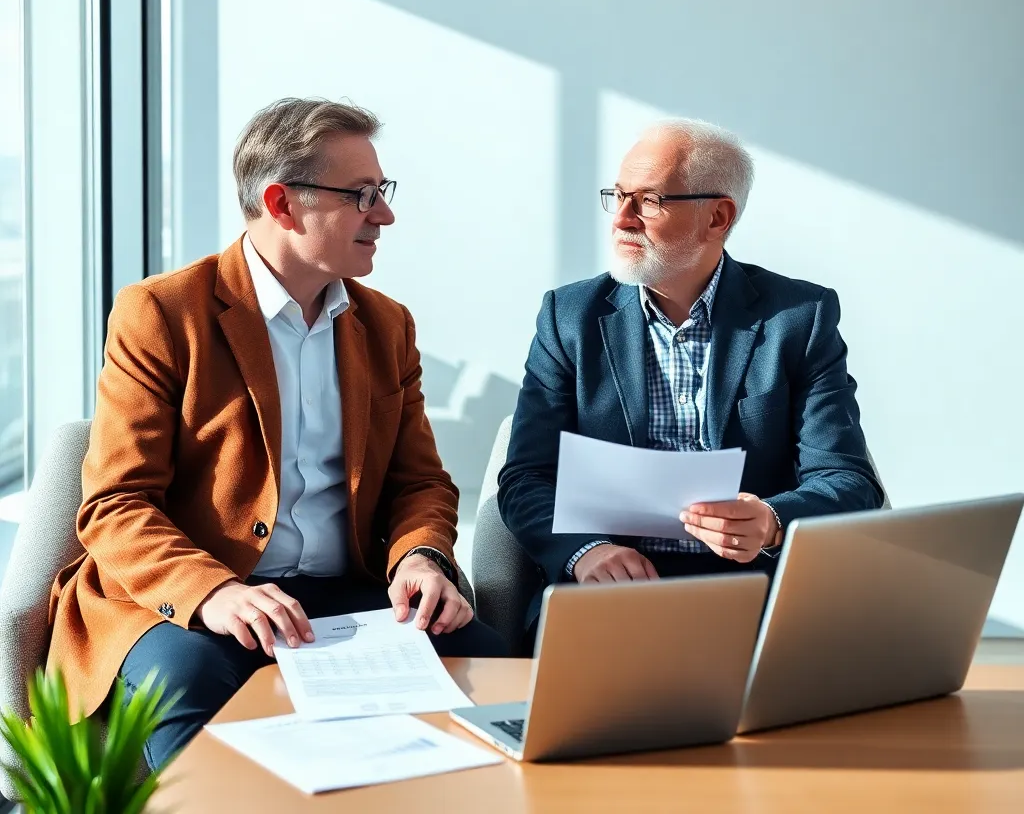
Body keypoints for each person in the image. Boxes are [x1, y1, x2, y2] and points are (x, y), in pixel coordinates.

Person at [47, 97, 506, 769]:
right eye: (364, 195)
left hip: (347, 597)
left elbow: (420, 483)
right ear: (283, 203)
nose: (385, 215)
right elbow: (116, 505)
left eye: (384, 192)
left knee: (499, 669)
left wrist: (421, 558)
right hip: (187, 601)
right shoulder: (163, 314)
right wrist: (215, 592)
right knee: (189, 686)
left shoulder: (387, 325)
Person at [497, 118, 884, 650]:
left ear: (718, 216)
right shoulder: (570, 316)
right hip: (609, 593)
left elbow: (847, 480)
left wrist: (770, 520)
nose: (623, 219)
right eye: (618, 196)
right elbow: (525, 477)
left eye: (649, 200)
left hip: (753, 594)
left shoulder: (799, 318)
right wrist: (584, 551)